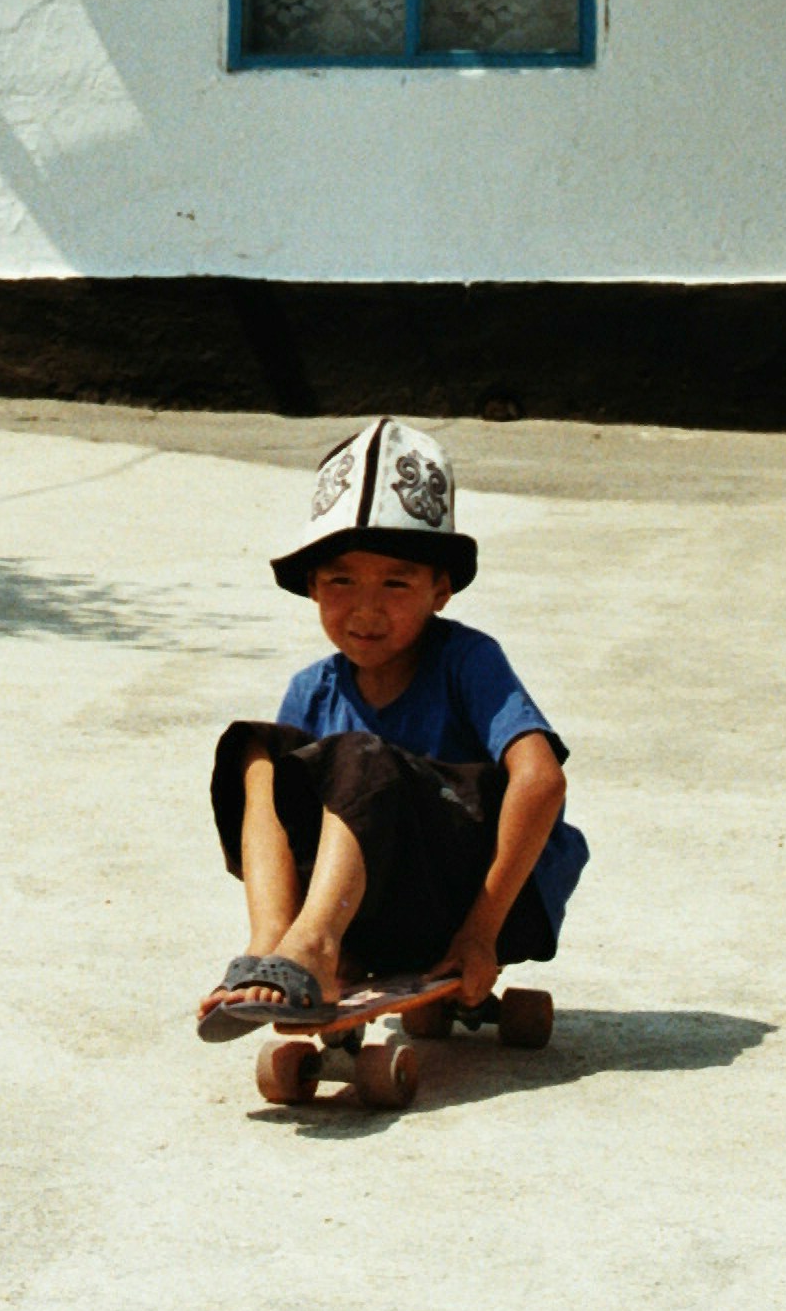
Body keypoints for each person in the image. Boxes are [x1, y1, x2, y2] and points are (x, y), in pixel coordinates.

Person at [198, 417, 589, 1033]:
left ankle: (317, 949)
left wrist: (480, 934)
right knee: (260, 753)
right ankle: (278, 940)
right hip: (379, 908)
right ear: (312, 585)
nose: (366, 608)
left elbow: (541, 781)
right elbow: (286, 819)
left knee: (358, 757)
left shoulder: (467, 660)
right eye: (341, 580)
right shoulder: (312, 688)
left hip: (481, 897)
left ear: (441, 590)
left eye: (397, 583)